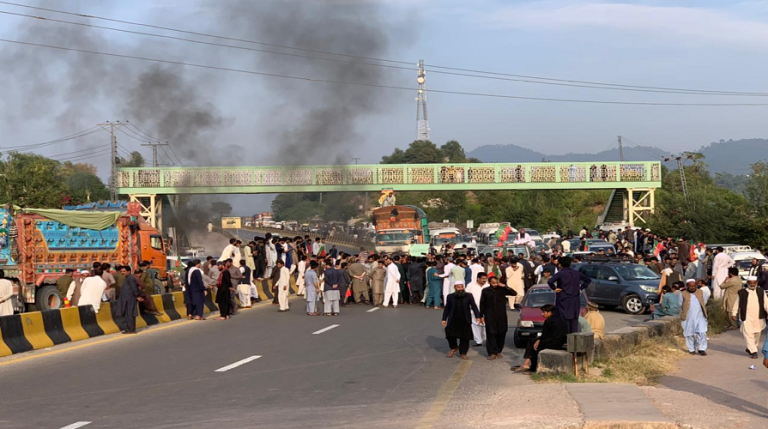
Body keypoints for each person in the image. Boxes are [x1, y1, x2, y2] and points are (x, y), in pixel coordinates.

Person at [515, 304, 568, 373]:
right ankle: (527, 364)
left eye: (544, 312)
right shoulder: (561, 320)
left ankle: (531, 366)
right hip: (560, 343)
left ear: (549, 312)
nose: (542, 314)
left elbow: (545, 335)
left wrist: (539, 340)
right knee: (534, 341)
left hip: (552, 344)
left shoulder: (548, 321)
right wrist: (539, 339)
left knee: (532, 344)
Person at [547, 256, 591, 334]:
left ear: (560, 264)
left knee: (563, 322)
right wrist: (581, 288)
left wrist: (554, 288)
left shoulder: (560, 273)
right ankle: (573, 340)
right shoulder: (576, 273)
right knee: (574, 320)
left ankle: (564, 340)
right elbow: (588, 280)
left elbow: (550, 281)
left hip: (563, 300)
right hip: (574, 300)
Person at [442, 281, 483, 360]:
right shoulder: (450, 296)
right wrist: (444, 319)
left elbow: (474, 306)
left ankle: (463, 353)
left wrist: (478, 316)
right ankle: (454, 347)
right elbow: (447, 308)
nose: (460, 289)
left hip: (465, 319)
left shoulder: (468, 296)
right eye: (458, 287)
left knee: (465, 337)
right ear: (455, 288)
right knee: (449, 335)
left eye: (461, 287)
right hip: (453, 319)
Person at [480, 276, 518, 360]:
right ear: (489, 282)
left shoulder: (502, 290)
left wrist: (505, 286)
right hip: (489, 315)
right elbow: (482, 303)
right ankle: (492, 352)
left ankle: (498, 351)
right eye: (493, 283)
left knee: (501, 332)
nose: (495, 284)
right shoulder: (485, 291)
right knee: (491, 333)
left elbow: (514, 293)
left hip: (501, 315)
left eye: (496, 282)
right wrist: (481, 315)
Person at [732, 276, 768, 359]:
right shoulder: (741, 292)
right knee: (748, 334)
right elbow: (736, 303)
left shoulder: (761, 291)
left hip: (759, 317)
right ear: (747, 283)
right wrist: (734, 313)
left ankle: (751, 348)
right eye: (750, 283)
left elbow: (766, 303)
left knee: (757, 334)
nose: (752, 284)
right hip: (747, 317)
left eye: (754, 283)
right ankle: (753, 351)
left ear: (756, 283)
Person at [680, 278, 708, 355]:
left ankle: (701, 348)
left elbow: (704, 301)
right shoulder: (683, 294)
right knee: (689, 333)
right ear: (687, 286)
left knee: (702, 332)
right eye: (690, 286)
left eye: (694, 286)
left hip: (700, 316)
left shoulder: (701, 292)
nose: (692, 287)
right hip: (688, 317)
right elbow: (680, 304)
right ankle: (691, 349)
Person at [115, 266, 143, 334]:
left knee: (130, 313)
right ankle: (130, 328)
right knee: (128, 314)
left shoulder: (130, 278)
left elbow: (134, 288)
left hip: (129, 299)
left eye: (124, 271)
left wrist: (137, 296)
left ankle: (131, 329)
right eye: (121, 271)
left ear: (129, 271)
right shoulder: (128, 278)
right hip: (127, 298)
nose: (122, 273)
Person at [465, 272, 489, 347]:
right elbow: (466, 295)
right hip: (474, 307)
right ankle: (478, 341)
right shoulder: (471, 285)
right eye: (483, 279)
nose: (484, 280)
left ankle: (488, 340)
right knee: (476, 324)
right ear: (478, 278)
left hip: (487, 308)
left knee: (487, 324)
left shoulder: (488, 285)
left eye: (485, 279)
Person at [719, 266, 742, 331]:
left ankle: (733, 325)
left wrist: (725, 280)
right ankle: (734, 324)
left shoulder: (732, 280)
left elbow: (722, 286)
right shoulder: (739, 279)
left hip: (731, 298)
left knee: (730, 311)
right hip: (736, 297)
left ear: (731, 273)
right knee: (735, 312)